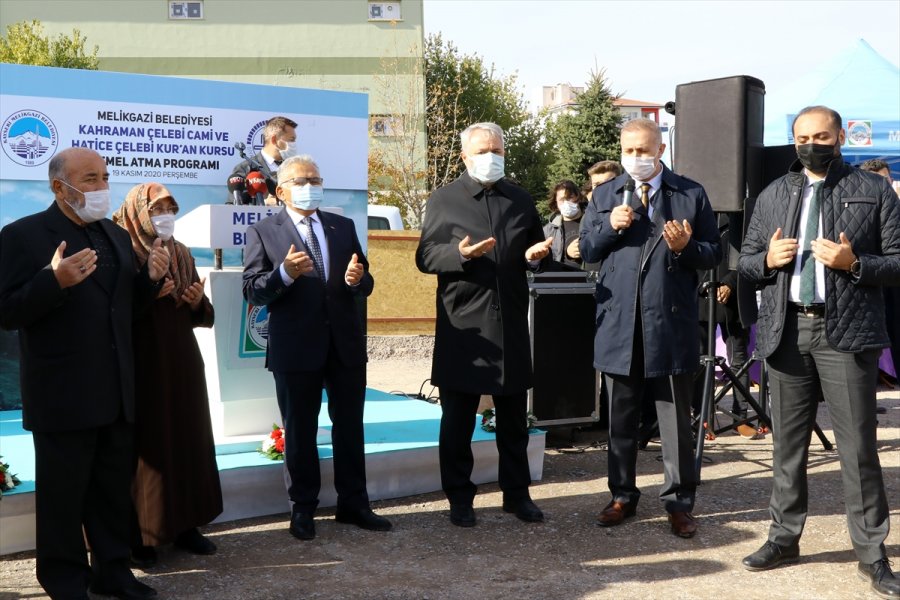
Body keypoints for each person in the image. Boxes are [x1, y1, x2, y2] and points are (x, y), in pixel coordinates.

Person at [738, 106, 900, 598]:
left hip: (845, 334)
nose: (813, 144)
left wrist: (855, 263)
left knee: (857, 450)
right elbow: (745, 262)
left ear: (841, 136)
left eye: (822, 136)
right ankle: (783, 538)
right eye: (804, 137)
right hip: (786, 333)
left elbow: (896, 264)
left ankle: (872, 554)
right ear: (793, 141)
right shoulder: (772, 194)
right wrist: (765, 260)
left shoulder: (873, 192)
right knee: (788, 448)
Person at [0, 148, 168, 600]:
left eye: (104, 177)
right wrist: (52, 281)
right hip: (62, 394)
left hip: (114, 390)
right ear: (60, 187)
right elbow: (6, 311)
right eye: (90, 178)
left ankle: (113, 572)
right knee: (63, 497)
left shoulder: (113, 233)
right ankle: (65, 581)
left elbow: (123, 310)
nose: (101, 186)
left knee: (112, 492)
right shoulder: (22, 236)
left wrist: (149, 282)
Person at [579, 118, 721, 539]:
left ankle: (679, 503)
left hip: (670, 324)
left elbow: (713, 252)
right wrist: (610, 226)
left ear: (660, 150)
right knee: (620, 419)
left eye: (643, 151)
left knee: (675, 419)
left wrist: (686, 247)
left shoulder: (690, 193)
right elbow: (586, 249)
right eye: (629, 151)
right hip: (620, 324)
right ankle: (622, 495)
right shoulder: (605, 194)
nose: (635, 159)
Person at [242, 154, 390, 541]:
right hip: (295, 346)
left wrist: (359, 280)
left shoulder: (342, 226)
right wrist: (284, 275)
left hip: (344, 343)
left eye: (316, 179)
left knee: (349, 427)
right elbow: (252, 289)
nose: (311, 186)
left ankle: (353, 503)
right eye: (302, 180)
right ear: (281, 190)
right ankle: (303, 508)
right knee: (300, 430)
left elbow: (366, 280)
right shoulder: (264, 232)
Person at [416, 122, 553, 528]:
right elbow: (425, 257)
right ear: (464, 156)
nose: (490, 157)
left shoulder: (520, 199)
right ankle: (460, 497)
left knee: (513, 420)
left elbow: (535, 248)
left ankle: (517, 494)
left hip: (509, 322)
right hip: (465, 327)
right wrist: (459, 254)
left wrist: (536, 257)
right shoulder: (444, 199)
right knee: (457, 420)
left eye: (497, 150)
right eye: (481, 150)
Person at [112, 183, 223, 565]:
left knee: (187, 438)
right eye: (157, 208)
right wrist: (148, 291)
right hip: (140, 362)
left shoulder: (181, 252)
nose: (166, 216)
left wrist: (196, 303)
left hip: (182, 359)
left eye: (171, 208)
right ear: (138, 211)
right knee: (149, 445)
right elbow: (111, 313)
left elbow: (201, 313)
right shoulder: (119, 251)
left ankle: (187, 524)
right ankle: (143, 536)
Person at [693, 214, 758, 440]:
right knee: (701, 360)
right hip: (702, 297)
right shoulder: (697, 215)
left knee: (739, 359)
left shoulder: (741, 217)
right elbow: (689, 253)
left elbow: (751, 253)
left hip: (734, 299)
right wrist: (705, 285)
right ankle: (703, 417)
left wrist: (730, 282)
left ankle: (741, 418)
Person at [860, 158, 899, 390]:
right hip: (871, 282)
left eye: (886, 179)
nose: (883, 184)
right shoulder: (860, 209)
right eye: (878, 180)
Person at [230, 116, 298, 205]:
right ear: (274, 140)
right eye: (291, 140)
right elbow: (232, 207)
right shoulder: (245, 169)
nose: (294, 144)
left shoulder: (294, 169)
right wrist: (265, 204)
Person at [543, 180, 587, 270]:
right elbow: (545, 261)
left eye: (570, 197)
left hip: (592, 278)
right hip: (562, 280)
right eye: (562, 200)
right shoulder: (548, 230)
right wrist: (567, 253)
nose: (566, 203)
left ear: (578, 197)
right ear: (556, 202)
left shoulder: (591, 221)